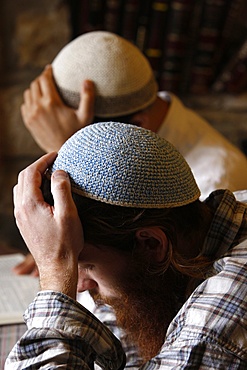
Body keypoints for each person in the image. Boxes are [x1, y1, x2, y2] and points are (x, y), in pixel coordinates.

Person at [6, 122, 247, 368]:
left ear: (151, 244)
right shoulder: (179, 251)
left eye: (86, 265)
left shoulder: (220, 322)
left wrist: (55, 274)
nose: (78, 286)